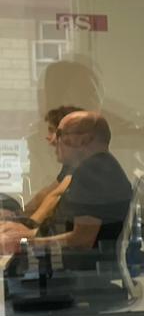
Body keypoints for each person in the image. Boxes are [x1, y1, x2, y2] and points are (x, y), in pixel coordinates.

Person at [0, 110, 132, 260]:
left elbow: (82, 241)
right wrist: (24, 231)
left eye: (60, 134)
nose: (54, 140)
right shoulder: (93, 167)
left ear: (83, 140)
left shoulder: (93, 172)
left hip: (78, 266)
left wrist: (23, 242)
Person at [0, 104, 82, 229]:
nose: (48, 137)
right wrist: (18, 216)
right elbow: (47, 193)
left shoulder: (85, 165)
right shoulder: (72, 164)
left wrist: (24, 226)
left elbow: (54, 198)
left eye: (52, 130)